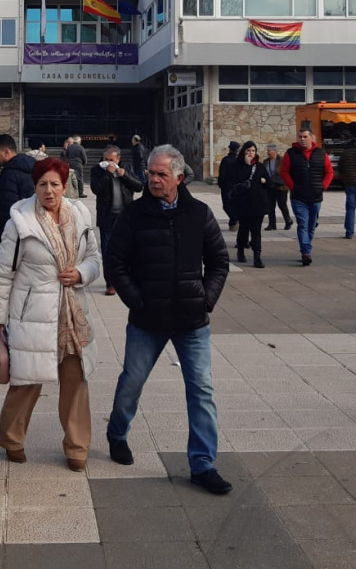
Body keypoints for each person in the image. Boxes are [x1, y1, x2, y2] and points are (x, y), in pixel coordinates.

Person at [104, 145, 232, 495]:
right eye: (150, 173)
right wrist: (137, 299)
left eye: (161, 174)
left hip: (192, 320)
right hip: (148, 318)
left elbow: (219, 262)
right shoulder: (134, 215)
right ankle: (117, 433)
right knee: (132, 381)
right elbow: (115, 261)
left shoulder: (199, 213)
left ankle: (203, 464)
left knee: (202, 390)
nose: (153, 179)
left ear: (178, 176)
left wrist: (206, 299)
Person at [0, 157, 101, 471]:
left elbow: (94, 257)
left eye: (54, 184)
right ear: (34, 186)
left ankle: (77, 447)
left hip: (72, 314)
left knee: (76, 379)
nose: (49, 191)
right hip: (33, 313)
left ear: (64, 186)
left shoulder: (80, 215)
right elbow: (2, 274)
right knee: (27, 380)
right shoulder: (20, 222)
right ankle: (12, 439)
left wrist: (81, 273)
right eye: (42, 184)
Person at [90, 144, 143, 294]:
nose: (108, 162)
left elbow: (139, 186)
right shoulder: (98, 170)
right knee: (107, 251)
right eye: (106, 159)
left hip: (125, 216)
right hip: (107, 217)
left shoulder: (126, 168)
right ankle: (110, 283)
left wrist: (124, 175)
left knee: (128, 249)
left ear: (118, 159)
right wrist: (108, 174)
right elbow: (96, 189)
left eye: (111, 159)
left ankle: (128, 280)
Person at [281, 129, 334, 266]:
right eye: (300, 137)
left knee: (311, 225)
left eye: (305, 137)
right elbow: (284, 171)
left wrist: (323, 186)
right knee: (303, 224)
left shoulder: (321, 153)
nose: (302, 139)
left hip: (316, 196)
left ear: (311, 138)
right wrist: (293, 186)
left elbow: (329, 171)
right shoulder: (291, 153)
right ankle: (305, 252)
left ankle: (307, 247)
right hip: (298, 197)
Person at [0, 134, 36, 255]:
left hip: (14, 238)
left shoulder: (10, 174)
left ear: (6, 152)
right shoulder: (32, 168)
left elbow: (6, 209)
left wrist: (1, 241)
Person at [225, 141, 270, 268]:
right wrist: (246, 165)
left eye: (253, 151)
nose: (251, 153)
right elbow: (234, 180)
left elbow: (269, 183)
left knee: (256, 231)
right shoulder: (237, 166)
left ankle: (257, 256)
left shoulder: (260, 166)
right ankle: (240, 251)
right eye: (248, 151)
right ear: (243, 152)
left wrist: (265, 180)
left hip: (258, 204)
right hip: (243, 203)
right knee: (243, 230)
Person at [263, 144, 293, 231]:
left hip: (281, 187)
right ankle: (272, 224)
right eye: (267, 150)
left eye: (269, 150)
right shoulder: (266, 161)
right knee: (270, 206)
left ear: (275, 151)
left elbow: (287, 172)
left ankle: (288, 220)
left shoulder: (282, 160)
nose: (268, 152)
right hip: (270, 187)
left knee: (282, 205)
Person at [217, 141, 241, 229]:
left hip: (227, 186)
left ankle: (234, 220)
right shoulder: (238, 160)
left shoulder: (226, 160)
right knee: (234, 205)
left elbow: (222, 174)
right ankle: (233, 221)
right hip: (236, 186)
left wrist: (221, 184)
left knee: (227, 205)